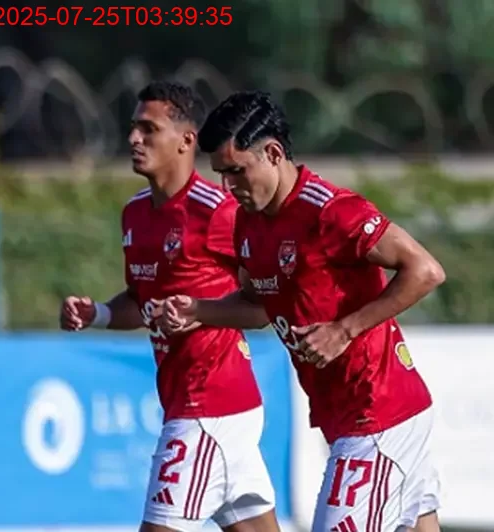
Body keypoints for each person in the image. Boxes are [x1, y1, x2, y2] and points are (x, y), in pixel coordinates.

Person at [159, 91, 446, 532]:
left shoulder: (331, 211)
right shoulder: (248, 222)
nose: (228, 188)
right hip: (348, 416)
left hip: (378, 413)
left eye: (237, 171)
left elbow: (425, 271)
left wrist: (344, 330)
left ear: (273, 154)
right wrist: (199, 310)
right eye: (221, 174)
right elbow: (258, 307)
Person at [59, 82, 280, 532]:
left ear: (186, 140)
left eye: (148, 128)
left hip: (210, 405)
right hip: (192, 402)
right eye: (133, 128)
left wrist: (198, 311)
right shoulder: (135, 213)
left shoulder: (219, 212)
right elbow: (140, 301)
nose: (134, 139)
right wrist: (98, 313)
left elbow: (261, 308)